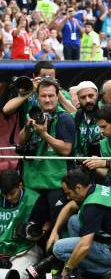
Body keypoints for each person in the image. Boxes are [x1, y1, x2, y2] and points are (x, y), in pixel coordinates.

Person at [47, 167, 111, 279]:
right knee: (74, 221)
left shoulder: (93, 206)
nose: (68, 197)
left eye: (69, 193)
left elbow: (84, 247)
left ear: (78, 187)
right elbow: (70, 206)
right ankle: (80, 270)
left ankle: (107, 271)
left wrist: (65, 272)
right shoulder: (96, 189)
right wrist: (54, 231)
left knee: (59, 248)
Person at [17, 77, 76, 223]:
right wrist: (28, 128)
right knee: (34, 223)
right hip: (32, 181)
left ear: (57, 96)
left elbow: (66, 150)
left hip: (56, 182)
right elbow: (21, 140)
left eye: (51, 95)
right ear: (38, 97)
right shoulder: (32, 115)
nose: (48, 100)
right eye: (43, 96)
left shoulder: (65, 118)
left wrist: (43, 134)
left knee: (57, 222)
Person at [0, 169, 48, 279]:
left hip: (24, 249)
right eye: (5, 194)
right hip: (2, 248)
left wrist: (37, 234)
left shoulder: (35, 199)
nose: (9, 198)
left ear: (20, 185)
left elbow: (46, 224)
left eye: (12, 193)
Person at [71, 81, 101, 159]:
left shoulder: (106, 115)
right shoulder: (72, 117)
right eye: (83, 97)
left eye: (91, 96)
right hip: (80, 164)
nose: (87, 100)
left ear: (97, 95)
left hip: (102, 163)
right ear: (78, 99)